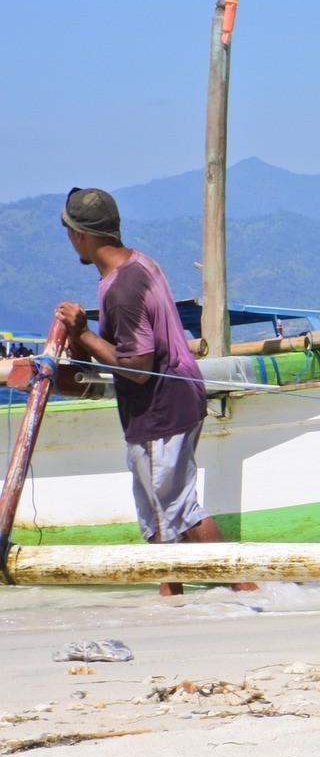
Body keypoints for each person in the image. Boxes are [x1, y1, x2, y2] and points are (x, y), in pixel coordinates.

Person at [53, 187, 256, 596]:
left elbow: (137, 368)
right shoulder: (139, 264)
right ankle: (172, 603)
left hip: (159, 410)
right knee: (158, 514)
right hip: (176, 400)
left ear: (81, 235)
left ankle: (248, 592)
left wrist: (80, 334)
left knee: (179, 513)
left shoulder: (122, 288)